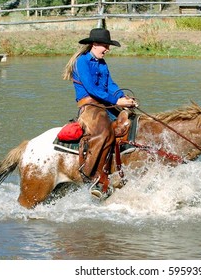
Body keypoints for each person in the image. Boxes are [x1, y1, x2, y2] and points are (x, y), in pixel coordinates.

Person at [62, 28, 137, 200]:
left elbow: (110, 84)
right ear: (95, 45)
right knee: (105, 132)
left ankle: (118, 169)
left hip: (104, 104)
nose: (107, 50)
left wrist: (122, 97)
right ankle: (93, 175)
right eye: (105, 46)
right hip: (89, 107)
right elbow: (92, 89)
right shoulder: (81, 62)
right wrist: (116, 102)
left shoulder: (102, 64)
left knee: (129, 124)